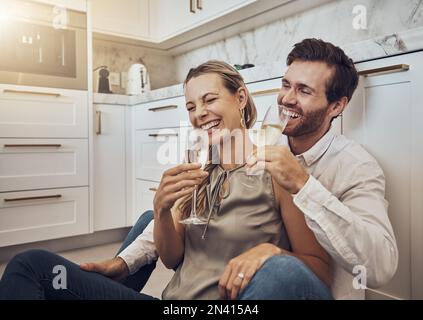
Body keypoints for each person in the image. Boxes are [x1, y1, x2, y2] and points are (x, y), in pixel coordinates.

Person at [84, 38, 399, 300]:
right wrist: (125, 260)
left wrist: (303, 185)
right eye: (286, 85)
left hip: (301, 288)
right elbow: (188, 218)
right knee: (148, 218)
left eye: (304, 91)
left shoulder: (354, 166)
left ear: (337, 106)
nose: (287, 99)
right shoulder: (260, 143)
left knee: (277, 269)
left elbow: (381, 266)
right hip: (232, 287)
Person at [0, 58, 334, 300]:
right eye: (191, 106)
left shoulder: (277, 169)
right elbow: (172, 258)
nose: (199, 113)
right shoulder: (196, 170)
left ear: (241, 97)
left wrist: (271, 253)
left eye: (210, 99)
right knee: (31, 265)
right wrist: (161, 209)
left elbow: (317, 270)